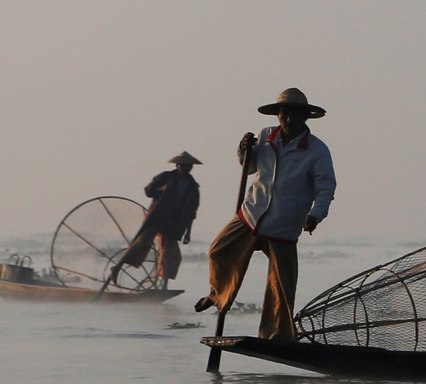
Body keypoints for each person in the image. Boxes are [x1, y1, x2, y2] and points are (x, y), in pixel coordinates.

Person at [194, 88, 337, 340]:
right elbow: (248, 168)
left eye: (292, 114)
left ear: (304, 117)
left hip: (284, 223)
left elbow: (325, 188)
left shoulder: (317, 150)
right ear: (278, 115)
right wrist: (243, 149)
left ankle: (276, 335)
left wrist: (316, 214)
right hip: (251, 214)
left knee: (281, 286)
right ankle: (217, 296)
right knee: (218, 251)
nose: (287, 120)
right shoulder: (264, 136)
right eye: (283, 114)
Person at [115, 152, 203, 286]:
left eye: (189, 166)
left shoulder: (193, 187)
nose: (186, 168)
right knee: (142, 242)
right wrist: (162, 189)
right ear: (177, 165)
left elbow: (191, 212)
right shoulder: (166, 177)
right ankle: (117, 268)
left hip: (174, 222)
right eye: (183, 166)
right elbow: (148, 191)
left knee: (171, 254)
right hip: (158, 216)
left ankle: (164, 284)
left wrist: (188, 233)